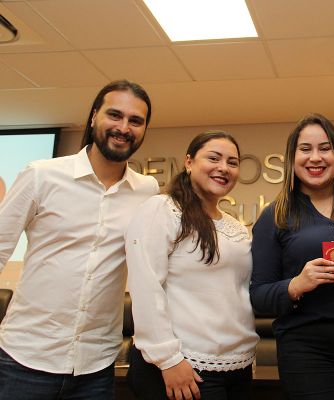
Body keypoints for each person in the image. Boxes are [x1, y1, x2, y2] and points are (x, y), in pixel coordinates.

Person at [0, 80, 159, 399]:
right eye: (115, 115)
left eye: (135, 120)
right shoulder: (41, 174)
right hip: (24, 359)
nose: (123, 127)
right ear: (94, 116)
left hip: (96, 367)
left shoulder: (147, 191)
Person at [250, 113, 334, 400]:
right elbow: (258, 295)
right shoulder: (274, 215)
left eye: (325, 148)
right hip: (306, 346)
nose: (315, 157)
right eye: (305, 149)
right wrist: (295, 285)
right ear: (292, 158)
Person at [125, 131, 259, 400]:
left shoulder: (235, 227)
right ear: (189, 162)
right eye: (214, 158)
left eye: (232, 162)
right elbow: (146, 286)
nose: (224, 168)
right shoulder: (162, 209)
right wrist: (168, 360)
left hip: (237, 365)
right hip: (183, 366)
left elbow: (238, 293)